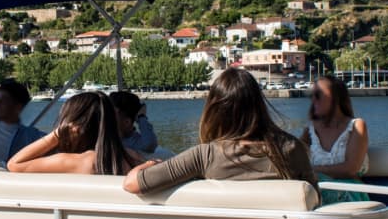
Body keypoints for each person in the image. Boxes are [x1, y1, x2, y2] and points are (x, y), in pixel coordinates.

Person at [123, 69, 317, 195]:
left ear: (214, 111)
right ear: (259, 105)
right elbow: (314, 197)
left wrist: (148, 163)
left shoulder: (205, 155)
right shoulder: (292, 149)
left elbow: (133, 184)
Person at [8, 91, 139, 175]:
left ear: (73, 126)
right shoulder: (131, 157)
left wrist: (57, 134)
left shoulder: (80, 162)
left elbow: (14, 164)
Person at [299, 76, 369, 204]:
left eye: (319, 95)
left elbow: (350, 169)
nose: (313, 99)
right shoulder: (310, 130)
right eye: (312, 95)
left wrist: (313, 170)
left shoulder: (356, 126)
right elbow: (294, 159)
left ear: (336, 98)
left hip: (348, 194)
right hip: (316, 192)